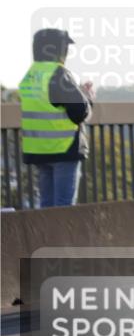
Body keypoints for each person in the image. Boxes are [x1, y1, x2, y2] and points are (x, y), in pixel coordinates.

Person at [18, 29, 95, 208]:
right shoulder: (58, 74)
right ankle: (60, 238)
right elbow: (79, 112)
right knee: (64, 208)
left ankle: (46, 237)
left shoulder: (30, 75)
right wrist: (88, 96)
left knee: (46, 206)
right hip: (64, 148)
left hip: (38, 150)